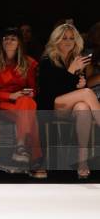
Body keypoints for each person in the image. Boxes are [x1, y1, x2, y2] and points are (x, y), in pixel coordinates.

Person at [38, 24, 99, 179]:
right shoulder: (47, 60)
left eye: (72, 38)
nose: (68, 41)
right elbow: (50, 91)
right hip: (51, 105)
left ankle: (82, 161)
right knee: (86, 93)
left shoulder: (76, 59)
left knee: (83, 107)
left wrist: (80, 83)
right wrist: (72, 71)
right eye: (64, 38)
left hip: (70, 106)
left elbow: (74, 88)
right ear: (56, 40)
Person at [0, 27, 44, 177]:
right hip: (0, 104)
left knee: (27, 103)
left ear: (19, 43)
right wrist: (11, 96)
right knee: (31, 115)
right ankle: (35, 159)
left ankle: (20, 149)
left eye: (13, 38)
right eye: (6, 38)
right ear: (1, 42)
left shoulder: (29, 63)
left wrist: (30, 93)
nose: (9, 41)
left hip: (22, 104)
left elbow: (34, 89)